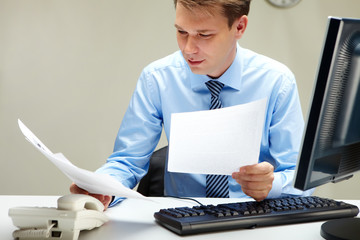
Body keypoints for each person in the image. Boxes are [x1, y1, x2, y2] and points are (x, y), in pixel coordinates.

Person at [70, 0, 312, 210]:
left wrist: (272, 185)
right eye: (181, 32)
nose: (188, 49)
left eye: (204, 35)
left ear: (239, 27)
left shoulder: (276, 81)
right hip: (181, 215)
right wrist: (100, 187)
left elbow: (300, 178)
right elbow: (126, 162)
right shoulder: (158, 78)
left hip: (253, 214)